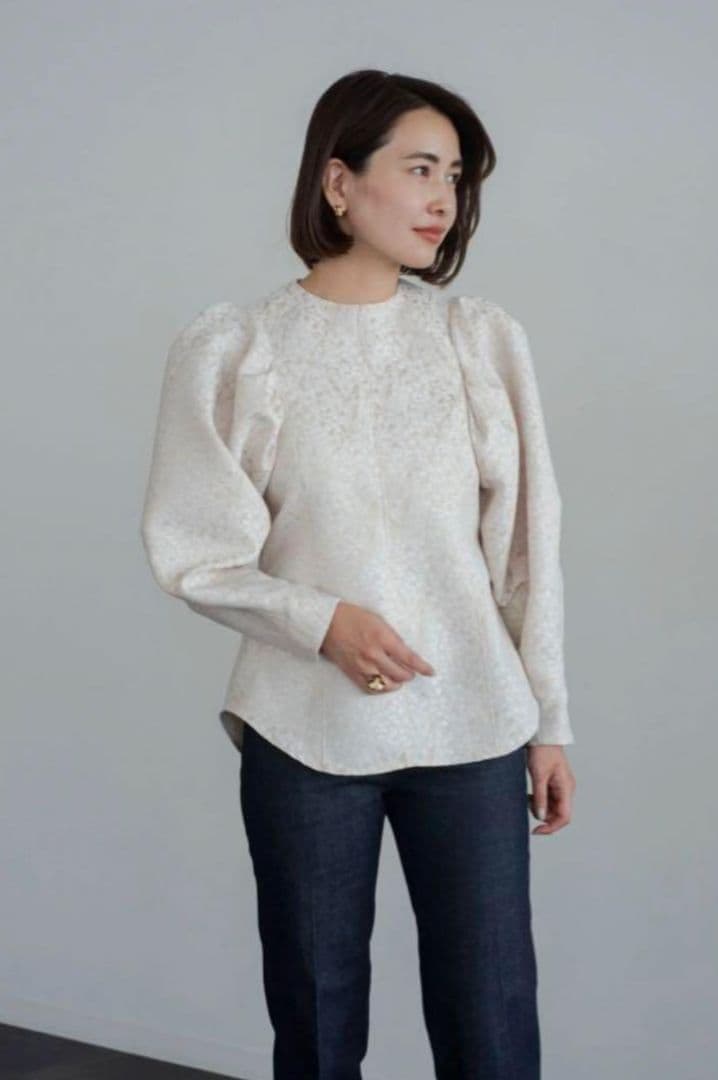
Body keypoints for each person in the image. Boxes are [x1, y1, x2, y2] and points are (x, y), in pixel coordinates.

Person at [140, 68, 577, 1080]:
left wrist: (549, 718)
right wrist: (320, 620)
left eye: (455, 176)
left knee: (492, 1018)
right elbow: (194, 549)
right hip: (303, 727)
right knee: (317, 1019)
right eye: (419, 169)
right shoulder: (237, 348)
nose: (443, 199)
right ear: (339, 183)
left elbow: (525, 548)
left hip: (472, 722)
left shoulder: (477, 341)